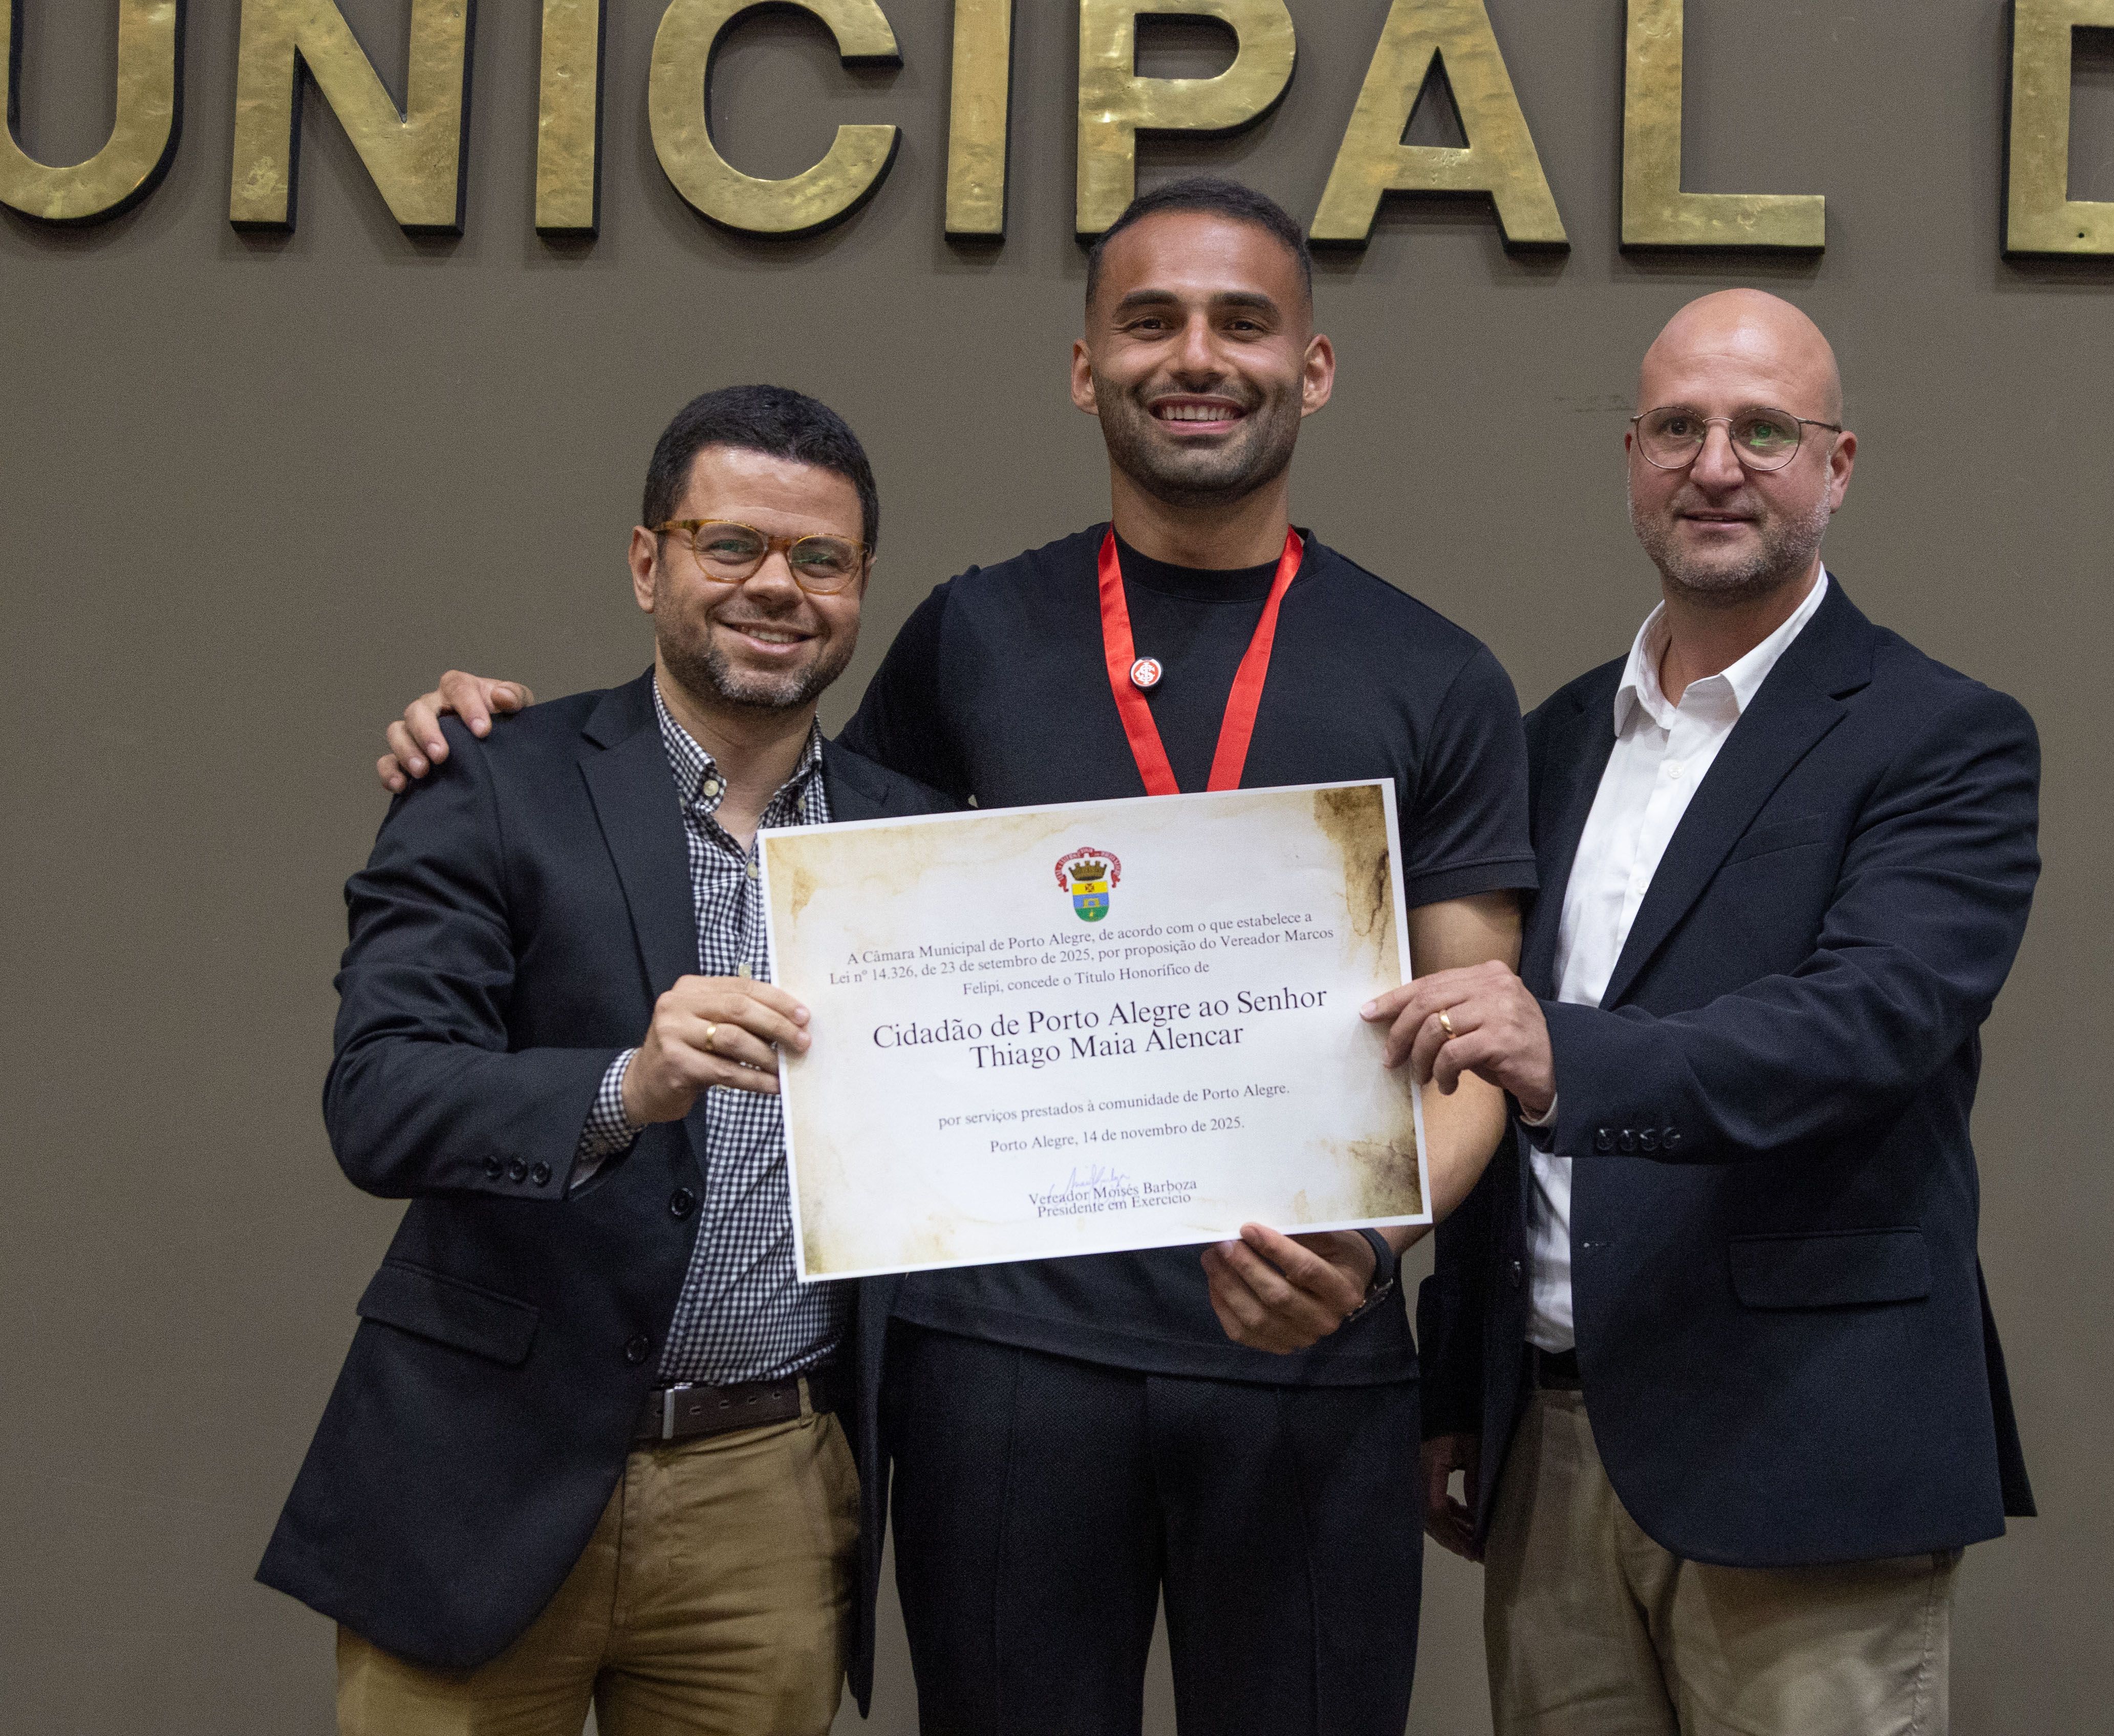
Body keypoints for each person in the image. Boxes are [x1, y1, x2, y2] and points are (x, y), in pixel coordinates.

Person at [365, 179, 1534, 1736]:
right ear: (1084, 366)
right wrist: (502, 739)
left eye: (1243, 322)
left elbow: (1478, 1039)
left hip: (1304, 1353)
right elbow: (769, 797)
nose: (1197, 356)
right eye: (1150, 321)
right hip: (1001, 1365)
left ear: (1311, 366)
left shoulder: (1436, 673)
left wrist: (1371, 1253)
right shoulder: (969, 636)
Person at [1366, 290, 2041, 1735]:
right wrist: (1451, 1385)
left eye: (1763, 430)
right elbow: (1474, 1050)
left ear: (1838, 466)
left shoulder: (1944, 736)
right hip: (1546, 1447)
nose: (1717, 464)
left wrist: (1572, 1052)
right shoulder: (1548, 743)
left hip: (1800, 1441)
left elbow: (1871, 1022)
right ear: (1631, 459)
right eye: (1679, 427)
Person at [261, 385, 952, 1734]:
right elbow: (380, 1096)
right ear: (649, 564)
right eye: (731, 544)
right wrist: (624, 1089)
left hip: (767, 1492)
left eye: (819, 560)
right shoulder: (492, 778)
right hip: (483, 1469)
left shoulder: (919, 844)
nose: (777, 586)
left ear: (862, 586)